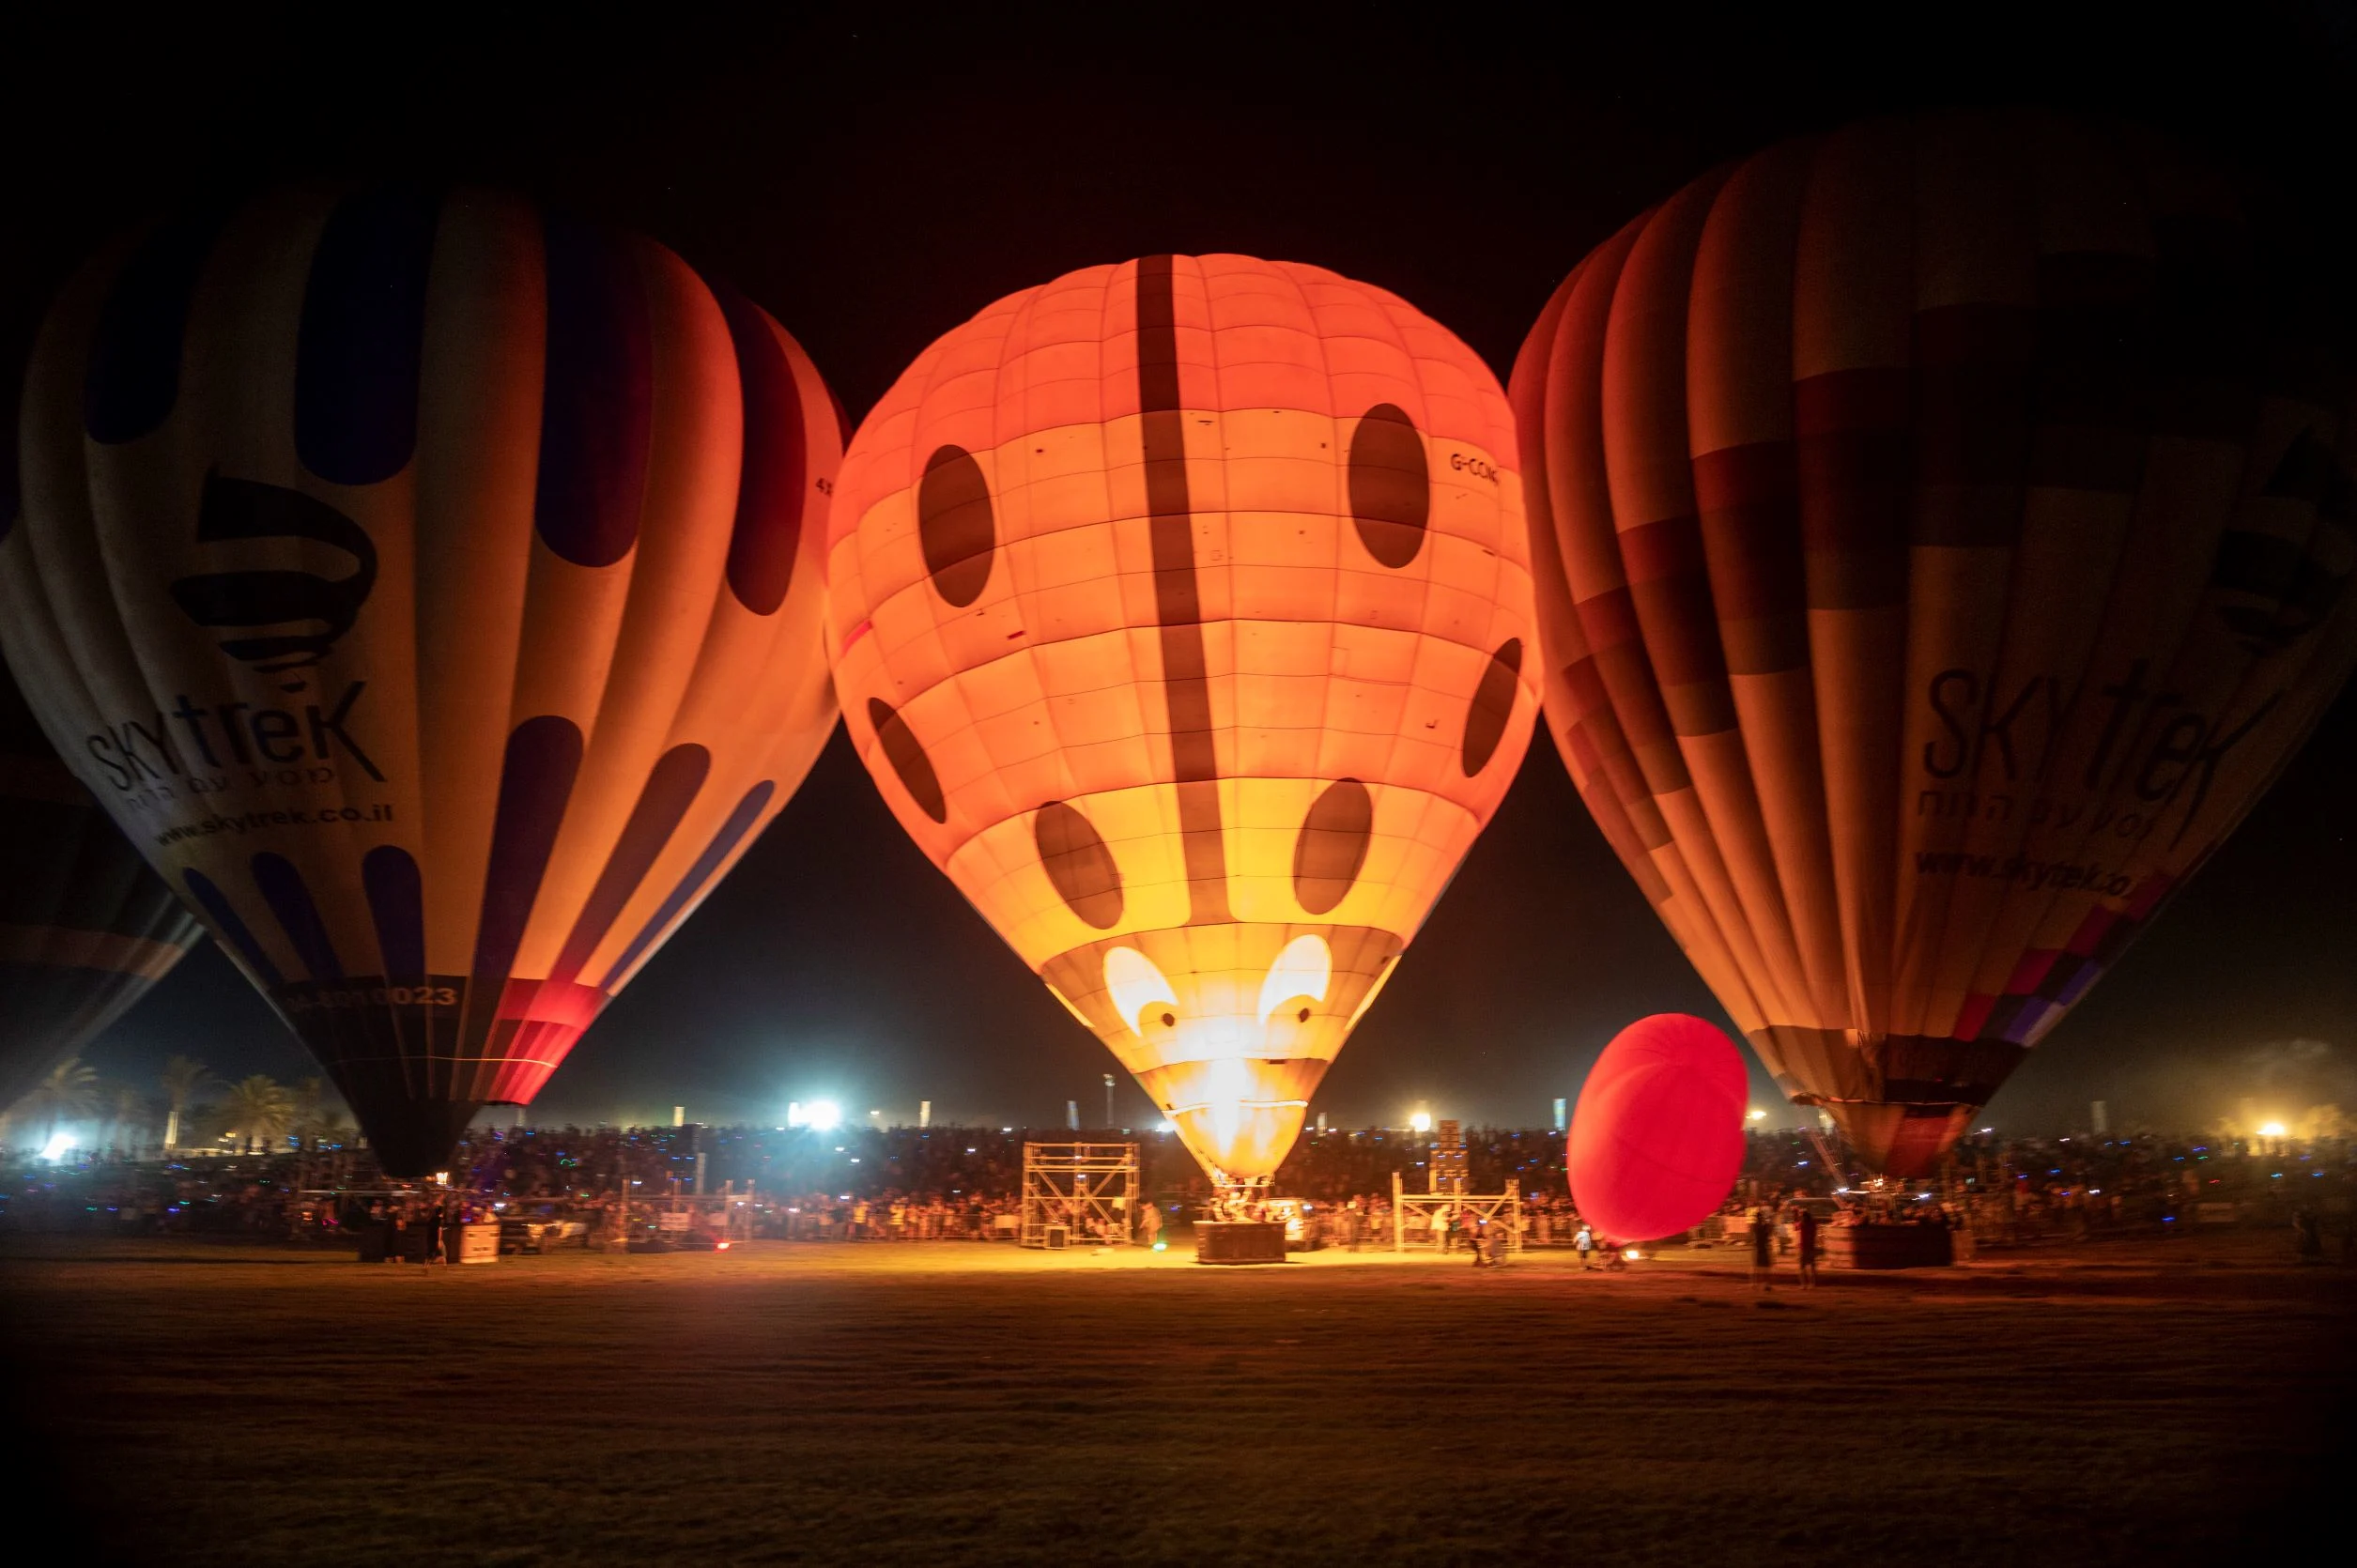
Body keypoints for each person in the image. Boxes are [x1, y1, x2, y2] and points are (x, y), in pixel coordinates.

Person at [1748, 1206, 1774, 1291]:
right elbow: (1769, 1232)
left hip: (1758, 1247)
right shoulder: (1762, 1226)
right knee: (1764, 1267)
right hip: (1763, 1247)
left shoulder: (1755, 1226)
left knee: (1756, 1267)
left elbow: (1753, 1236)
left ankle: (1754, 1284)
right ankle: (1765, 1284)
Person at [1795, 1205, 1819, 1289]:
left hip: (1803, 1247)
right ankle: (1812, 1284)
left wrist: (1796, 1213)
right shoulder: (1813, 1224)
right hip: (1811, 1247)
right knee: (1812, 1267)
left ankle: (1803, 1284)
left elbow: (1795, 1226)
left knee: (1802, 1267)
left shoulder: (1801, 1224)